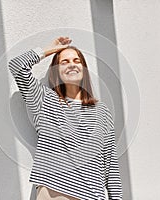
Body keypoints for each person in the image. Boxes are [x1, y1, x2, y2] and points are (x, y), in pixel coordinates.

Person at [8, 37, 123, 200]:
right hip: (55, 192)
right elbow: (17, 66)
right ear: (56, 71)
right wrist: (49, 50)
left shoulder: (101, 112)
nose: (71, 64)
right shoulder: (45, 100)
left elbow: (110, 163)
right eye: (64, 62)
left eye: (77, 60)